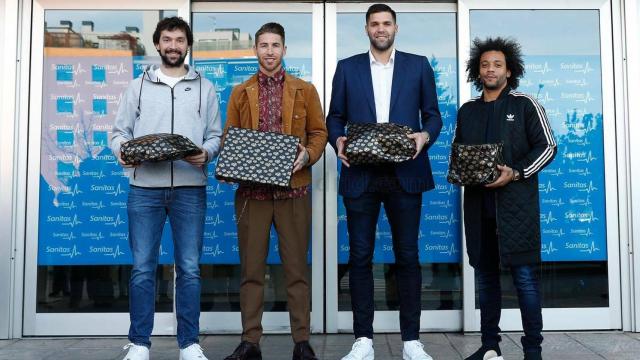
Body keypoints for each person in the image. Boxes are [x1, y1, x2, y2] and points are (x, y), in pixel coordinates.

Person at [326, 4, 442, 360]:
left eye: (386, 23)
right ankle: (363, 340)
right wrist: (338, 141)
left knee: (408, 256)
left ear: (396, 27)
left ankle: (411, 341)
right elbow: (335, 117)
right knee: (360, 257)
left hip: (406, 172)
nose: (380, 29)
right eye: (374, 24)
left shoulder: (418, 65)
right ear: (366, 29)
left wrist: (424, 137)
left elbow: (433, 116)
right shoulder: (347, 68)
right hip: (361, 173)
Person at [111, 16, 222, 360]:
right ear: (157, 44)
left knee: (188, 268)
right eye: (167, 40)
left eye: (179, 40)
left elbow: (215, 135)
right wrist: (123, 154)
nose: (173, 46)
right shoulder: (137, 86)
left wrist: (206, 154)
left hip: (190, 188)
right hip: (145, 189)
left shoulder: (205, 87)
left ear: (188, 45)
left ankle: (189, 343)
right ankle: (140, 343)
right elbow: (118, 134)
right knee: (143, 267)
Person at [222, 22, 328, 360]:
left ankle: (301, 342)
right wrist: (231, 164)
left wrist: (307, 155)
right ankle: (250, 341)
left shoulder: (304, 90)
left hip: (293, 193)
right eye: (264, 45)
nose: (269, 51)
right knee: (251, 271)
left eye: (275, 45)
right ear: (255, 49)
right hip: (253, 195)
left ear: (284, 49)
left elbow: (319, 133)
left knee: (295, 271)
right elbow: (230, 137)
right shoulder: (240, 92)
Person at [455, 37, 557, 360]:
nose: (490, 69)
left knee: (525, 280)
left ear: (509, 70)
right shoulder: (467, 112)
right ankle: (490, 348)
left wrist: (515, 172)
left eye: (497, 64)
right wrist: (460, 171)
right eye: (485, 64)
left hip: (517, 211)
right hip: (478, 211)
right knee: (486, 281)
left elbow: (548, 147)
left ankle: (532, 350)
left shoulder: (525, 105)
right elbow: (459, 156)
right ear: (477, 69)